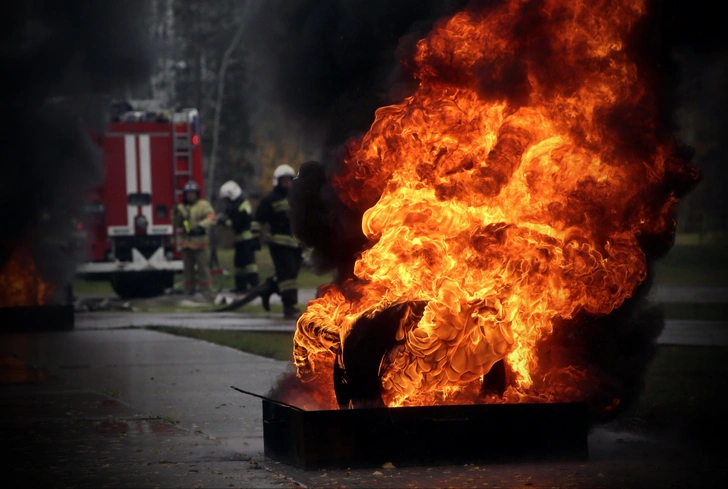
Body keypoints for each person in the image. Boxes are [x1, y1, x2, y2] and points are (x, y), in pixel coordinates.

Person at [253, 164, 303, 319]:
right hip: (278, 244)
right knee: (288, 277)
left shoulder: (296, 198)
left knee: (290, 274)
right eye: (284, 181)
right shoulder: (270, 199)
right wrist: (255, 238)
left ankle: (267, 289)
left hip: (295, 244)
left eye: (289, 180)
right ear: (278, 181)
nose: (287, 183)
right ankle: (290, 308)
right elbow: (258, 220)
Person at [174, 181, 216, 297]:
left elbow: (211, 217)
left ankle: (207, 292)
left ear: (197, 194)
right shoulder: (181, 207)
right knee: (188, 271)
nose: (190, 195)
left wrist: (201, 226)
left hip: (200, 243)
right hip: (186, 244)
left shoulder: (203, 205)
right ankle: (188, 293)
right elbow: (177, 224)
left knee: (203, 270)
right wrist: (175, 215)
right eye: (188, 193)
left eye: (193, 193)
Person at [217, 180, 260, 293]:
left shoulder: (242, 205)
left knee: (249, 263)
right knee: (239, 264)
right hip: (240, 240)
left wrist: (224, 222)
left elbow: (239, 222)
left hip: (247, 239)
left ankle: (254, 285)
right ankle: (241, 287)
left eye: (227, 199)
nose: (226, 202)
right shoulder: (236, 204)